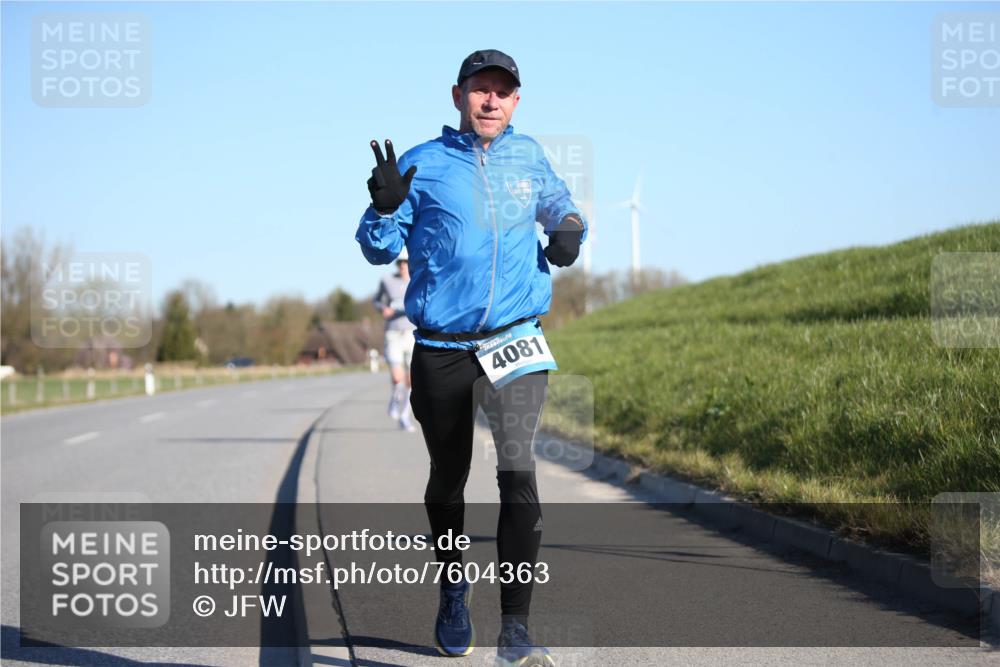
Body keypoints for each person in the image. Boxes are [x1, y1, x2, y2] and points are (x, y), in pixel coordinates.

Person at [355, 48, 586, 667]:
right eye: (479, 90)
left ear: (516, 101)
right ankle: (453, 587)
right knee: (449, 476)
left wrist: (569, 228)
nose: (491, 101)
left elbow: (563, 205)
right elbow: (378, 250)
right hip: (442, 349)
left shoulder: (528, 155)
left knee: (518, 472)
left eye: (502, 92)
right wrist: (383, 210)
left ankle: (516, 630)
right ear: (457, 96)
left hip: (515, 338)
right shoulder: (422, 165)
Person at [372, 246, 417, 432]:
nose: (403, 266)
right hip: (393, 334)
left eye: (406, 262)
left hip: (411, 334)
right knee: (397, 378)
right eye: (400, 262)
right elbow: (376, 300)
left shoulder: (417, 280)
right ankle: (394, 398)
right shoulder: (387, 280)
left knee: (411, 381)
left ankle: (405, 415)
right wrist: (382, 309)